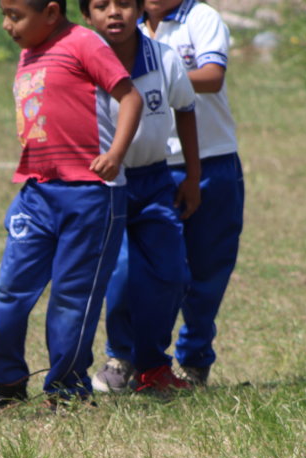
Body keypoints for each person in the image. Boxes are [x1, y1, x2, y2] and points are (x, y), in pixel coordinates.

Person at [0, 0, 143, 414]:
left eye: (15, 15)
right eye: (4, 15)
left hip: (92, 194)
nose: (7, 25)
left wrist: (115, 152)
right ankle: (7, 380)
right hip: (38, 192)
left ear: (52, 12)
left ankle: (67, 392)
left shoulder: (84, 43)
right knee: (7, 291)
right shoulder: (30, 51)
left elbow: (129, 97)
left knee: (71, 299)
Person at [81, 0, 203, 395]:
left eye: (124, 4)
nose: (114, 13)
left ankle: (153, 365)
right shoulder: (79, 60)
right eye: (101, 6)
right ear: (87, 16)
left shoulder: (164, 58)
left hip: (155, 180)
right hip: (106, 186)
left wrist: (193, 175)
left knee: (171, 275)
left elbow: (185, 110)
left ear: (139, 10)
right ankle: (120, 357)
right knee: (120, 275)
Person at [135, 0, 246, 386]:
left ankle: (195, 358)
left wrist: (152, 77)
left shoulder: (201, 18)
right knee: (154, 270)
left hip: (212, 160)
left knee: (208, 268)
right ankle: (138, 359)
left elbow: (212, 76)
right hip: (151, 163)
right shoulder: (124, 23)